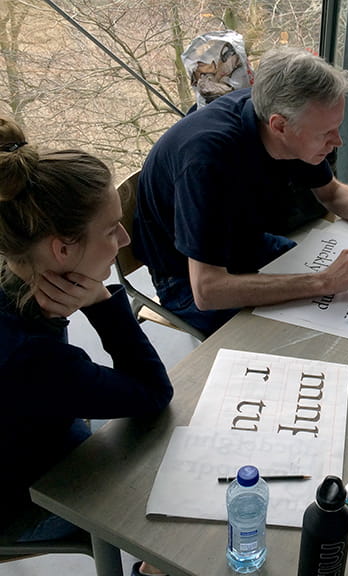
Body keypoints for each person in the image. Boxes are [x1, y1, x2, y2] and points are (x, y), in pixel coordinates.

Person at [133, 46, 348, 337]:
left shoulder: (285, 123)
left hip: (244, 243)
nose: (339, 141)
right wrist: (322, 282)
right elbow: (208, 290)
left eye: (338, 127)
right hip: (184, 276)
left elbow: (331, 192)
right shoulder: (206, 161)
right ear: (279, 125)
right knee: (294, 338)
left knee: (344, 309)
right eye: (326, 133)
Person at [0, 118, 172, 576]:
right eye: (113, 228)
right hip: (23, 497)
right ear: (60, 250)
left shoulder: (14, 272)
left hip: (31, 431)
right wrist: (100, 302)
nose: (125, 240)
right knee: (177, 512)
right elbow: (154, 392)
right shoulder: (31, 358)